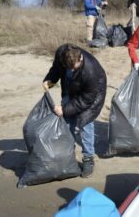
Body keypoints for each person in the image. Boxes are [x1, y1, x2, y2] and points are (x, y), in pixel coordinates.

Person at [42, 44, 107, 178]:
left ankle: (88, 158)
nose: (71, 70)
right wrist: (50, 80)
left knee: (85, 123)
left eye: (74, 68)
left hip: (92, 94)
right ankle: (68, 153)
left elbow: (86, 99)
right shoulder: (61, 53)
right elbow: (56, 69)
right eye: (69, 68)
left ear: (81, 59)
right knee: (66, 122)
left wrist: (65, 109)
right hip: (71, 88)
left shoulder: (91, 71)